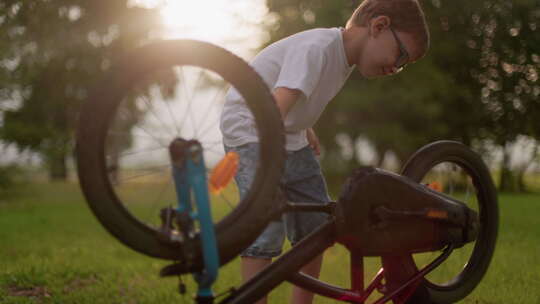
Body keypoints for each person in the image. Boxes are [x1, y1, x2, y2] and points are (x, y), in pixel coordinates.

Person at [219, 0, 430, 303]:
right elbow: (278, 102)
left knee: (317, 225)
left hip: (287, 132)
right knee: (263, 223)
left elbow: (294, 92)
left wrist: (303, 126)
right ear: (378, 26)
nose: (395, 67)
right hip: (253, 130)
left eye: (403, 65)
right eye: (401, 55)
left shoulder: (341, 57)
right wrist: (277, 145)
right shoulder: (317, 48)